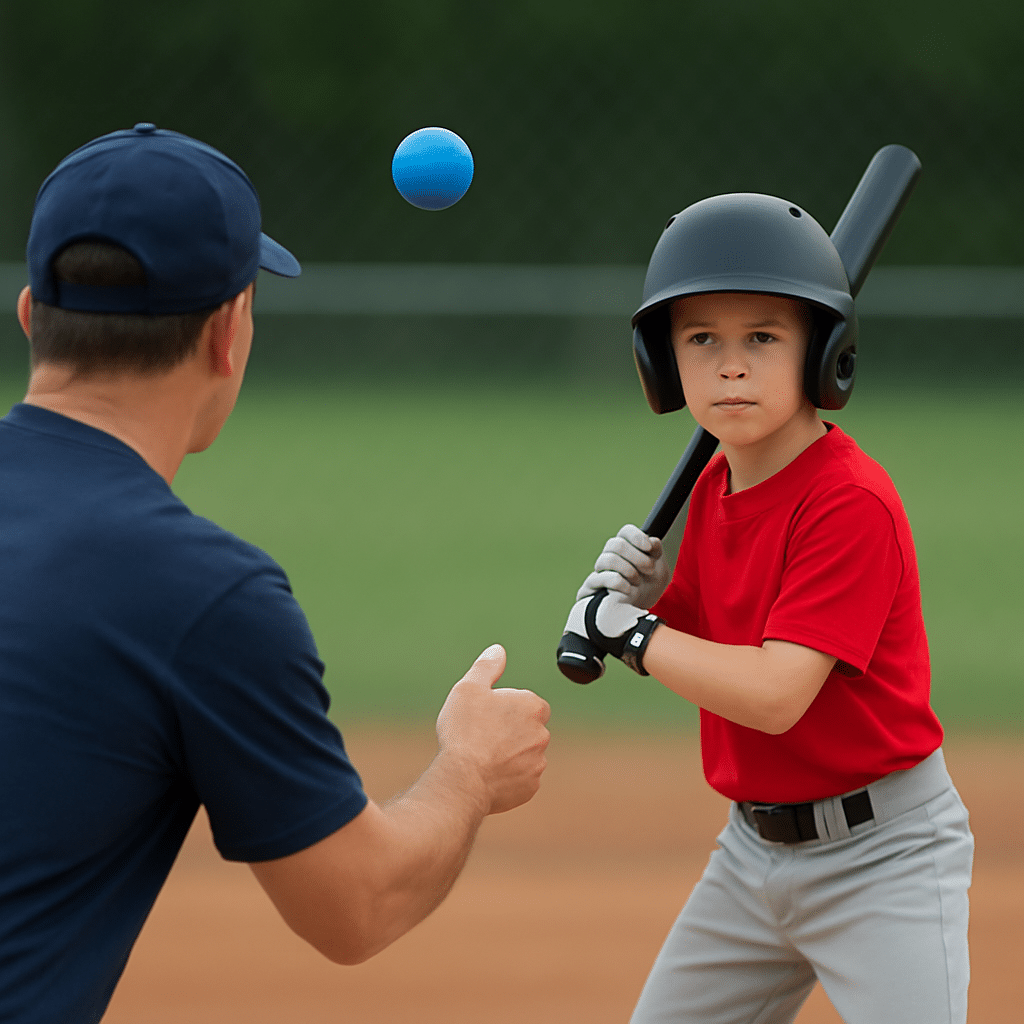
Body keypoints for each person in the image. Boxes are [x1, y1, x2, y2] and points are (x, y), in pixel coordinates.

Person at [0, 123, 550, 1023]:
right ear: (229, 332)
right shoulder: (202, 597)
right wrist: (471, 771)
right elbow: (357, 905)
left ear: (31, 316)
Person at [561, 193, 973, 1023]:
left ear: (822, 355)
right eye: (701, 338)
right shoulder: (718, 485)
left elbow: (776, 694)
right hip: (749, 860)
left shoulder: (848, 502)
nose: (731, 365)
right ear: (662, 362)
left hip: (883, 859)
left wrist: (632, 633)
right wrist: (644, 599)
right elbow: (705, 637)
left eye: (764, 337)